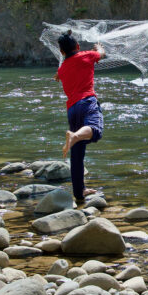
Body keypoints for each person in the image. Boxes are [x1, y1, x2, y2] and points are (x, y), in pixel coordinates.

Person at [53, 30, 106, 200]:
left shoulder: (62, 69)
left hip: (72, 109)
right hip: (87, 101)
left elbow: (58, 76)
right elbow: (101, 54)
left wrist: (59, 74)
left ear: (61, 52)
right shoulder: (87, 55)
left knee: (77, 154)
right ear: (77, 46)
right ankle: (74, 135)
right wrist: (98, 47)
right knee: (95, 130)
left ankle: (79, 192)